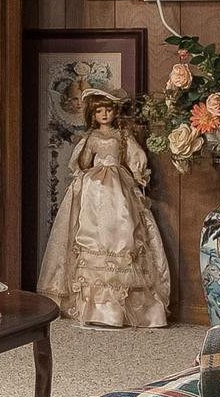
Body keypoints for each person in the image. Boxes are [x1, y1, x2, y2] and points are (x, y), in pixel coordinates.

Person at [36, 93, 170, 327]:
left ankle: (123, 307)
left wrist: (138, 175)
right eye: (99, 111)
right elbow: (84, 161)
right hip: (94, 188)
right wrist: (83, 174)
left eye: (108, 110)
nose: (104, 115)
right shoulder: (91, 137)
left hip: (119, 187)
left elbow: (134, 156)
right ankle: (93, 307)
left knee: (124, 229)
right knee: (91, 233)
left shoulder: (123, 136)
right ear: (93, 115)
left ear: (114, 112)